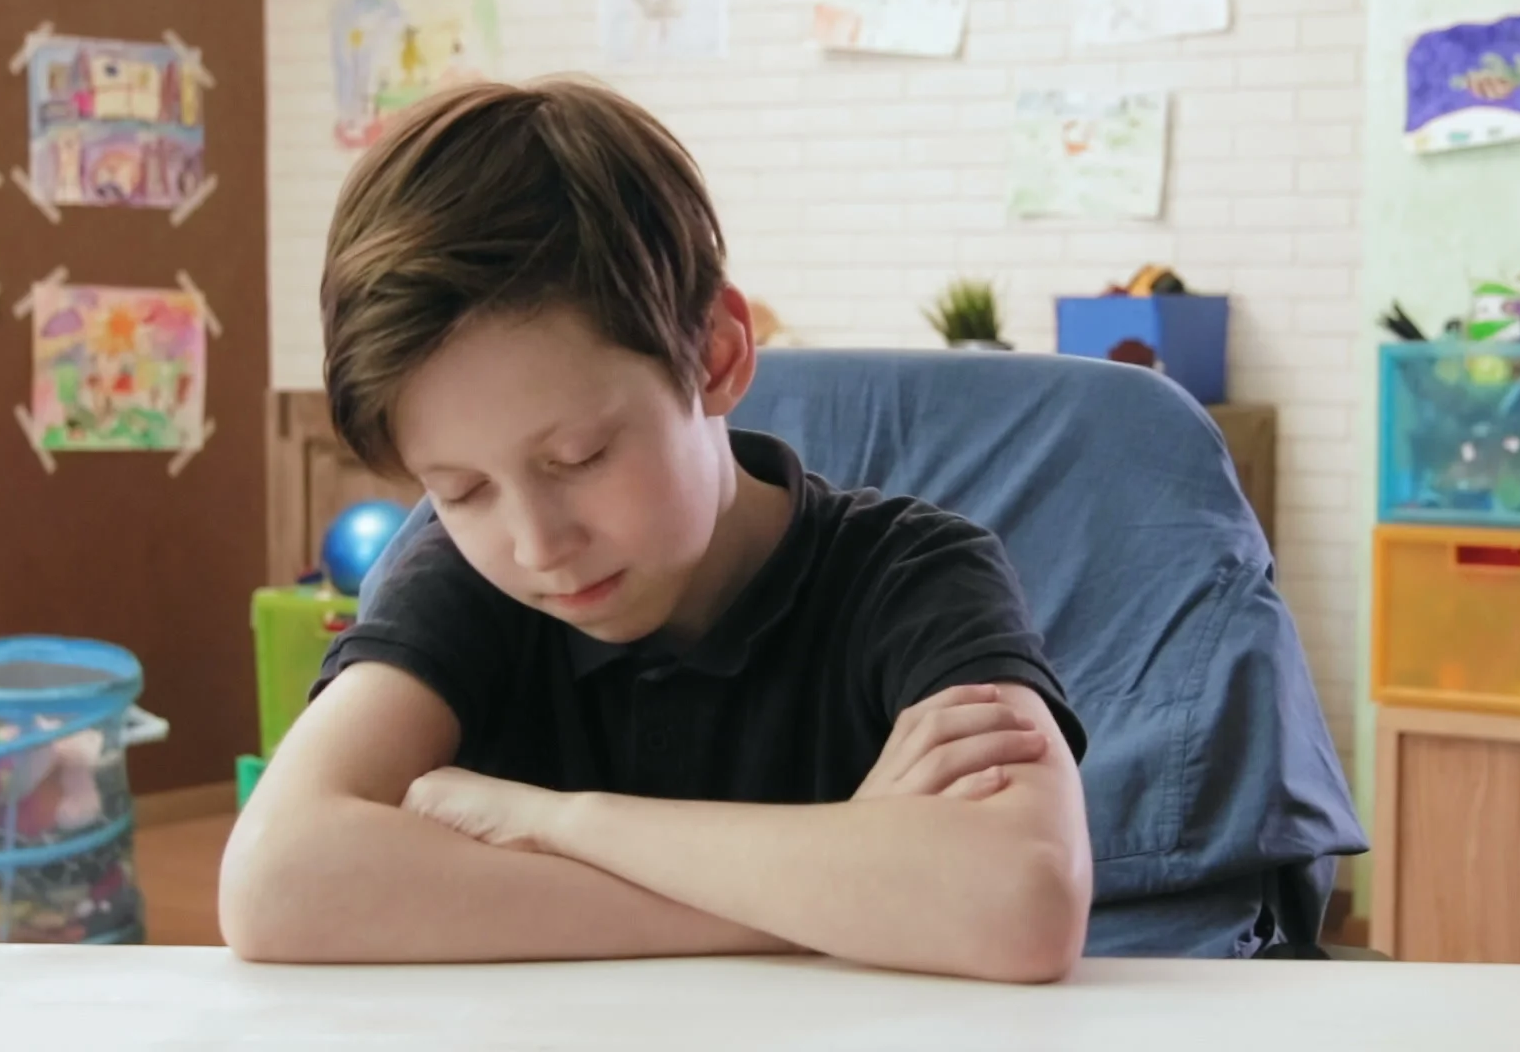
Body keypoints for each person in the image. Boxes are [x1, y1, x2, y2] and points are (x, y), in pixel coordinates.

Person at [218, 76, 1093, 983]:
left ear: (715, 354)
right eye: (462, 489)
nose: (537, 546)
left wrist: (557, 821)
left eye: (580, 457)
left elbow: (1020, 902)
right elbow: (274, 881)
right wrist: (842, 888)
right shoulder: (463, 582)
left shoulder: (913, 575)